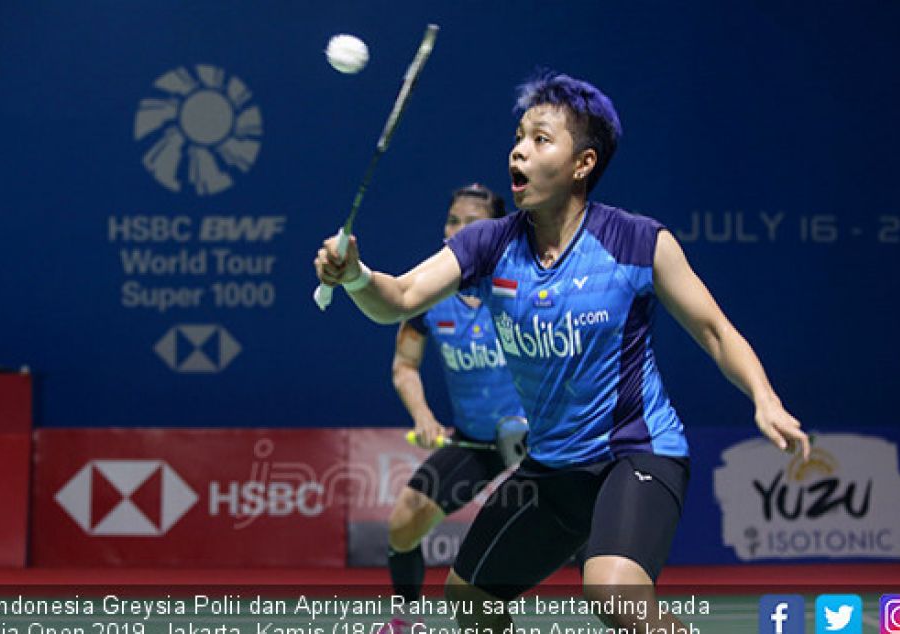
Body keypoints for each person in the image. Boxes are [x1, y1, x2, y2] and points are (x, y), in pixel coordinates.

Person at [314, 69, 809, 631]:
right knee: (469, 599)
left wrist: (763, 397)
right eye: (519, 137)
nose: (519, 151)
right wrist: (355, 276)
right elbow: (399, 297)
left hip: (634, 452)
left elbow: (715, 330)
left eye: (541, 139)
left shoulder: (637, 242)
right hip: (552, 467)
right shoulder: (489, 244)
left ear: (583, 164)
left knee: (612, 588)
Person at [383, 184, 525, 632]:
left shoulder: (519, 288)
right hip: (477, 441)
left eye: (472, 223)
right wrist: (423, 417)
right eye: (453, 220)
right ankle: (407, 620)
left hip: (538, 439)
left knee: (583, 537)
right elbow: (405, 366)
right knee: (405, 523)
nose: (458, 231)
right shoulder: (429, 296)